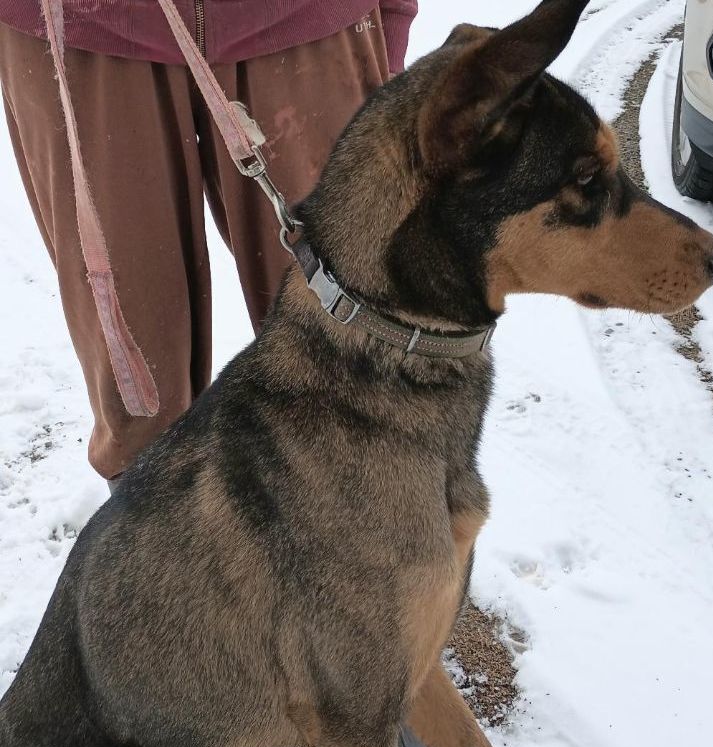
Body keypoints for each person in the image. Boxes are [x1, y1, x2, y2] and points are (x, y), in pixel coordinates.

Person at [0, 3, 448, 747]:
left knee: (366, 354)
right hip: (83, 29)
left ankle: (391, 675)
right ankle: (183, 655)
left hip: (304, 18)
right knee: (138, 389)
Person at [0, 0, 417, 485]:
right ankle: (164, 548)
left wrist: (392, 20)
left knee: (355, 379)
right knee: (142, 416)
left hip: (308, 20)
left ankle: (374, 546)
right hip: (82, 29)